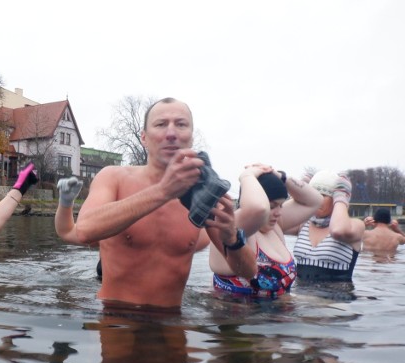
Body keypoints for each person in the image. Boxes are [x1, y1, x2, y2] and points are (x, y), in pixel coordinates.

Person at [54, 97, 257, 310]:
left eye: (181, 124)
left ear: (191, 136)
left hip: (172, 322)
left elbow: (249, 272)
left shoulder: (203, 193)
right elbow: (84, 230)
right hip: (118, 319)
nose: (171, 133)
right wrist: (163, 191)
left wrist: (232, 239)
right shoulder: (113, 177)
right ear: (144, 137)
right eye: (161, 124)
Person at [210, 165, 323, 298]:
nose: (279, 212)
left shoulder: (275, 227)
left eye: (281, 205)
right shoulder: (235, 227)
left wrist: (280, 176)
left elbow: (315, 201)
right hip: (239, 317)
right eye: (272, 206)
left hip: (278, 314)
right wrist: (247, 176)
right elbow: (258, 208)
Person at [292, 170, 365, 282]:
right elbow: (274, 222)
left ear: (335, 198)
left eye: (323, 195)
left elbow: (338, 230)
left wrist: (341, 196)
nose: (318, 200)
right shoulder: (303, 224)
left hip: (335, 297)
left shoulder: (356, 225)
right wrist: (299, 195)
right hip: (301, 297)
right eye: (314, 195)